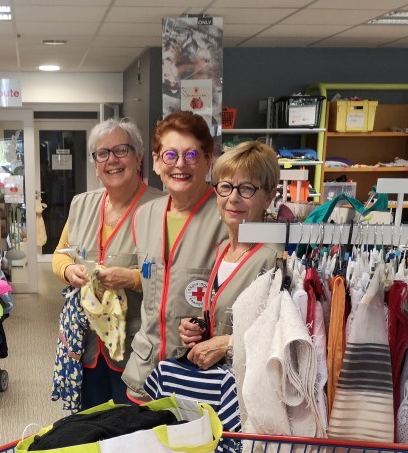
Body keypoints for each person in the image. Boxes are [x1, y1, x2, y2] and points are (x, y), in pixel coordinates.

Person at [51, 118, 162, 408]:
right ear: (95, 164)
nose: (112, 160)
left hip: (137, 346)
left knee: (133, 425)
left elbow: (173, 272)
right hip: (88, 345)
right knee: (92, 421)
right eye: (102, 153)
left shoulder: (161, 208)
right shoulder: (81, 204)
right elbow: (61, 253)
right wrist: (68, 270)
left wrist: (134, 279)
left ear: (138, 156)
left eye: (121, 150)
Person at [121, 111, 226, 400]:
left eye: (192, 154)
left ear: (208, 160)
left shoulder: (227, 219)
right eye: (170, 155)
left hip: (197, 377)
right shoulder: (144, 216)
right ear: (156, 162)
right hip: (145, 374)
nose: (180, 164)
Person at [178, 141, 282, 369]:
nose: (233, 197)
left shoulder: (274, 258)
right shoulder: (224, 249)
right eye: (226, 187)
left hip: (246, 386)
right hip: (217, 383)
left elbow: (281, 338)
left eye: (247, 188)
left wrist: (227, 344)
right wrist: (199, 328)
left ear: (269, 197)